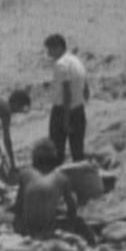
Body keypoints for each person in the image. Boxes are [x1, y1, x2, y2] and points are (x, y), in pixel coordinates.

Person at [12, 138, 79, 238]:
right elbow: (72, 208)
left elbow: (18, 206)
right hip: (47, 230)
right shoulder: (61, 177)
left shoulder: (25, 173)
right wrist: (70, 226)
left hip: (27, 229)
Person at [43, 33, 88, 165]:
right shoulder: (77, 61)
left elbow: (66, 92)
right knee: (78, 152)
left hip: (63, 111)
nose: (49, 54)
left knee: (56, 152)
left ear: (58, 48)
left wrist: (66, 119)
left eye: (50, 49)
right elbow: (85, 86)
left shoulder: (61, 64)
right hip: (79, 109)